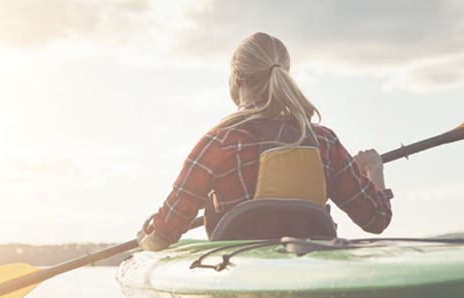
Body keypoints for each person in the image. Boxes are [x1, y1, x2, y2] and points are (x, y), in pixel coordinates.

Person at [137, 32, 393, 251]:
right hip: (309, 268)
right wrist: (373, 169)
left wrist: (146, 241)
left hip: (237, 275)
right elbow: (377, 219)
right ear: (285, 75)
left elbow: (165, 232)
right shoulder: (325, 142)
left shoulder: (219, 143)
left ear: (237, 79)